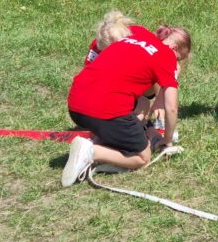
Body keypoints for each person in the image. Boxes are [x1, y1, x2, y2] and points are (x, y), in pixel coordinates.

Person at [61, 10, 192, 187]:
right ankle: (91, 151)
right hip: (105, 109)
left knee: (139, 104)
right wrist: (167, 141)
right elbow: (172, 108)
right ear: (174, 49)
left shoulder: (137, 32)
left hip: (75, 103)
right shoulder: (167, 56)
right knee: (142, 158)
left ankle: (101, 140)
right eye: (179, 59)